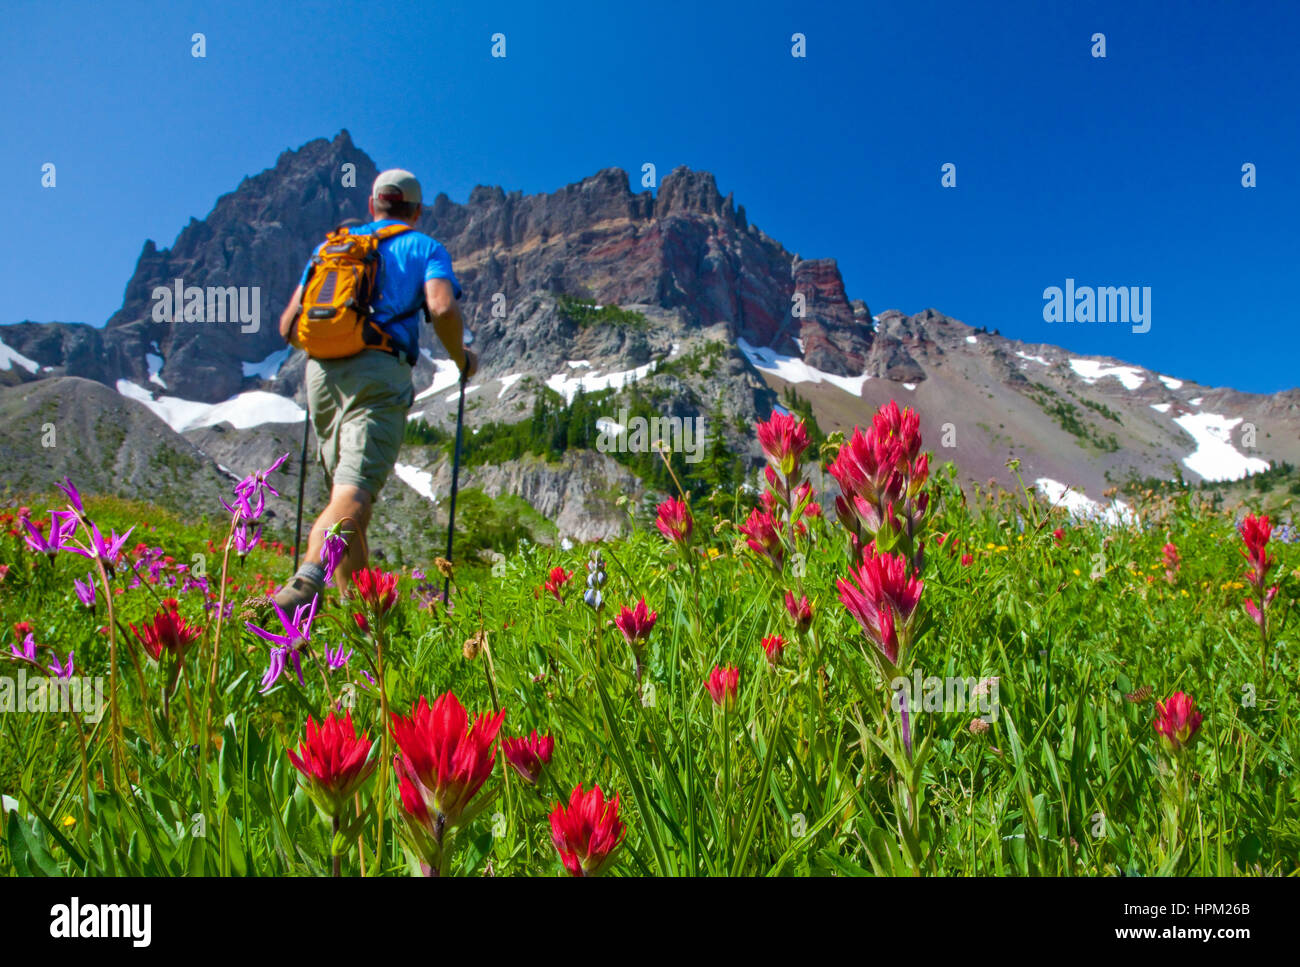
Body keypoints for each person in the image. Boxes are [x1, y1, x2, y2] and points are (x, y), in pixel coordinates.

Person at [272, 168, 476, 610]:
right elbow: (441, 307)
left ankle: (364, 618)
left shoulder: (332, 246)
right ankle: (307, 580)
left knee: (345, 497)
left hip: (320, 376)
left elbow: (289, 325)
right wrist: (462, 359)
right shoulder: (424, 246)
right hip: (379, 371)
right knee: (354, 494)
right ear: (416, 211)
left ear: (373, 205)